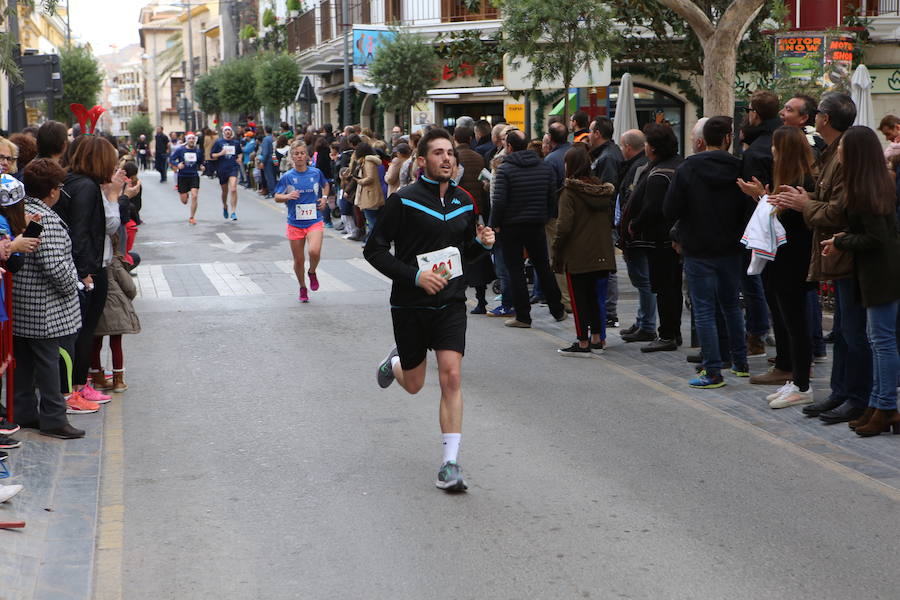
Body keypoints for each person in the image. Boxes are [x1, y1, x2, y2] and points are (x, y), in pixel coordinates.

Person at [364, 127, 495, 492]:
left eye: (450, 153)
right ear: (422, 161)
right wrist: (415, 277)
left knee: (451, 376)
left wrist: (484, 245)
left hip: (450, 302)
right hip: (410, 303)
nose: (447, 158)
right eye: (438, 153)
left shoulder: (466, 201)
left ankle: (449, 464)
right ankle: (393, 364)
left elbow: (464, 253)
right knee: (415, 384)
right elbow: (373, 250)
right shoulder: (403, 200)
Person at [772, 92, 872, 424]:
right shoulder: (831, 153)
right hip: (837, 255)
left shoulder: (846, 153)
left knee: (855, 334)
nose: (814, 117)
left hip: (848, 255)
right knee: (844, 332)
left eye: (817, 114)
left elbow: (839, 210)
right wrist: (806, 197)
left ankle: (857, 397)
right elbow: (828, 199)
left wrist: (805, 205)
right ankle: (841, 392)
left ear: (825, 119)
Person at [820, 125, 900, 435]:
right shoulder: (873, 182)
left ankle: (884, 407)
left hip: (881, 273)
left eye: (843, 147)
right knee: (879, 340)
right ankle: (880, 405)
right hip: (881, 271)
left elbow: (875, 238)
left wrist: (841, 241)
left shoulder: (865, 188)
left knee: (882, 342)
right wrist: (844, 238)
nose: (838, 150)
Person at [665, 116, 753, 388]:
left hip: (698, 246)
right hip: (731, 246)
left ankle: (713, 370)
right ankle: (740, 362)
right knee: (731, 305)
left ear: (704, 139)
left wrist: (681, 231)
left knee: (703, 309)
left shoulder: (688, 168)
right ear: (728, 138)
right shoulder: (739, 167)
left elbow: (670, 209)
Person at [739, 126, 816, 406]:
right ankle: (796, 381)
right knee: (788, 321)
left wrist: (767, 201)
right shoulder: (792, 178)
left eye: (775, 146)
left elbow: (790, 222)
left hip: (793, 263)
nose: (771, 150)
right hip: (783, 261)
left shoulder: (802, 181)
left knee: (796, 324)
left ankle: (802, 386)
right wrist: (761, 196)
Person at [14, 159, 85, 438]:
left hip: (23, 302)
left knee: (25, 363)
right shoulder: (48, 221)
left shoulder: (21, 211)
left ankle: (25, 413)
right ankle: (54, 418)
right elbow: (55, 265)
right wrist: (73, 286)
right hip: (46, 306)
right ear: (53, 190)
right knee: (48, 363)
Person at [56, 136, 124, 411]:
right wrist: (86, 274)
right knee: (83, 331)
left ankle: (78, 386)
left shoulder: (75, 182)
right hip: (87, 272)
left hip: (84, 268)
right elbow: (81, 232)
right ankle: (75, 389)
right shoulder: (85, 187)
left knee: (82, 331)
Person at [490, 129, 567, 328]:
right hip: (536, 224)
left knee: (515, 270)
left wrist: (494, 224)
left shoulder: (506, 169)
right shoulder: (544, 167)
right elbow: (552, 197)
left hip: (511, 226)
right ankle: (557, 309)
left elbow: (499, 201)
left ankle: (523, 316)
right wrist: (544, 216)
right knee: (543, 267)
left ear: (509, 147)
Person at [551, 145, 616, 355]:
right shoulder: (602, 190)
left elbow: (564, 226)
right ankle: (597, 338)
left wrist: (556, 250)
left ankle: (583, 342)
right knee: (596, 298)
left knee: (579, 301)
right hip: (602, 254)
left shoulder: (569, 192)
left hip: (577, 255)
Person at [628, 123, 684, 352]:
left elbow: (653, 208)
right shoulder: (679, 164)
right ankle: (674, 332)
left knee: (664, 288)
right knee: (673, 286)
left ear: (653, 148)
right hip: (674, 236)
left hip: (662, 238)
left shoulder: (660, 173)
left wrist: (635, 224)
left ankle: (667, 334)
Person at [273, 140, 330, 303]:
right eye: (296, 154)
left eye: (302, 153)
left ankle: (312, 272)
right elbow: (276, 196)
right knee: (299, 260)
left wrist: (324, 198)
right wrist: (287, 196)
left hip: (314, 220)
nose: (299, 156)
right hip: (295, 223)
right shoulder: (287, 177)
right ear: (291, 157)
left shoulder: (316, 173)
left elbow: (326, 186)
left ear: (307, 156)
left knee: (314, 252)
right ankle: (302, 287)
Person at [617, 129, 655, 342]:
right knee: (642, 280)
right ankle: (643, 321)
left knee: (643, 281)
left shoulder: (639, 168)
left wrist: (629, 228)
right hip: (635, 232)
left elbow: (631, 201)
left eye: (622, 146)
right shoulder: (637, 166)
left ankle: (647, 324)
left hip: (637, 234)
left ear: (628, 147)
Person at [91, 240, 140, 393]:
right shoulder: (114, 262)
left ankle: (97, 377)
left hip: (96, 305)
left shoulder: (90, 259)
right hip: (115, 306)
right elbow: (129, 288)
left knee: (95, 343)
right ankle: (118, 380)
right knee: (116, 344)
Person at [169, 132, 204, 224]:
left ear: (195, 140)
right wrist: (177, 164)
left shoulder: (198, 151)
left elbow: (201, 162)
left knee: (195, 196)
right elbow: (171, 159)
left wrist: (202, 166)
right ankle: (185, 194)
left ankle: (192, 217)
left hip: (193, 176)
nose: (191, 140)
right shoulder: (180, 150)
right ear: (187, 140)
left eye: (193, 139)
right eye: (190, 139)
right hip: (182, 176)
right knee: (184, 201)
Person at [210, 123, 243, 220]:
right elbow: (212, 155)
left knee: (233, 189)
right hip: (222, 169)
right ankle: (225, 206)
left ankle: (233, 212)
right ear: (223, 132)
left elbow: (240, 153)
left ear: (231, 132)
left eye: (229, 130)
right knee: (225, 191)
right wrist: (220, 153)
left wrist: (239, 158)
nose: (228, 132)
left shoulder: (236, 143)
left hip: (233, 167)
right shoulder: (219, 142)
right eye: (226, 130)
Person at [260, 125, 276, 198]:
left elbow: (265, 152)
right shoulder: (273, 138)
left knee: (269, 177)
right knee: (274, 176)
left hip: (268, 160)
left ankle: (272, 192)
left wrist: (262, 162)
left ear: (265, 131)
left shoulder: (266, 139)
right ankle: (274, 191)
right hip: (274, 159)